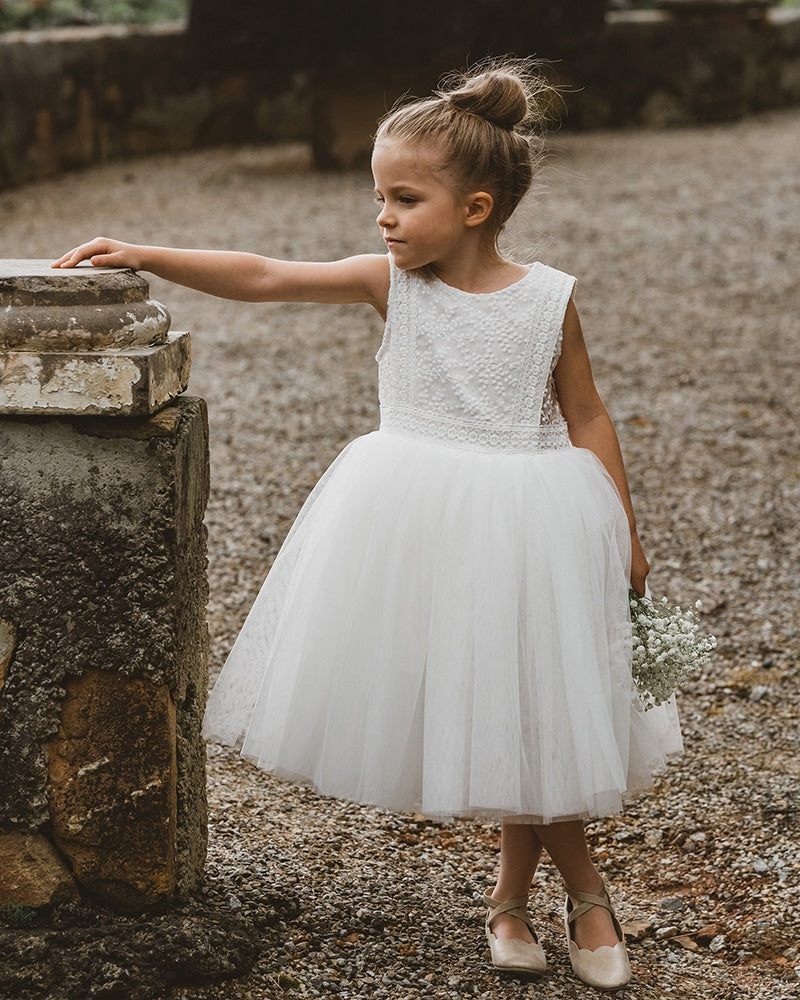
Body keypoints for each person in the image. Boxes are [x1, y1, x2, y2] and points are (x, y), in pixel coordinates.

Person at [53, 59, 682, 991]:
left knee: (529, 697)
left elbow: (588, 415)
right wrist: (146, 252)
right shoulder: (392, 284)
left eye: (402, 198)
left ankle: (520, 899)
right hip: (422, 523)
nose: (381, 218)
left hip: (538, 516)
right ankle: (579, 894)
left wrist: (622, 528)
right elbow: (265, 274)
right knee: (512, 701)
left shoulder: (548, 297)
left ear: (474, 208)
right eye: (377, 197)